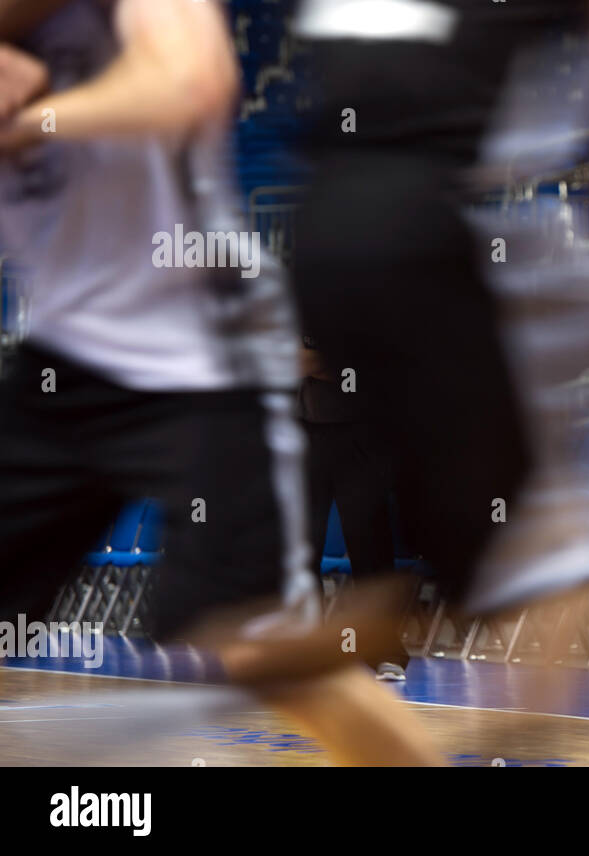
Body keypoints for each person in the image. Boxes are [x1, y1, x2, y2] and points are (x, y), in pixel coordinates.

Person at [0, 0, 438, 764]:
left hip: (197, 358)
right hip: (60, 361)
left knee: (254, 648)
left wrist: (39, 117)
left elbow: (191, 83)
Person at [298, 335, 407, 680]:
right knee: (301, 550)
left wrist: (315, 361)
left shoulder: (356, 294)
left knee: (369, 546)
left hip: (361, 436)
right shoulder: (289, 298)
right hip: (302, 433)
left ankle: (385, 653)